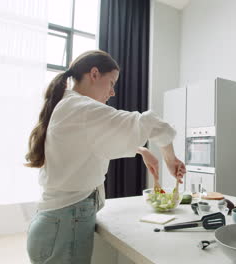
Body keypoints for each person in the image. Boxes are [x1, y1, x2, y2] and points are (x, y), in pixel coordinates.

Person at [24, 50, 186, 264]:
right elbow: (152, 124)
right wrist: (170, 159)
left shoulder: (68, 105)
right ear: (94, 74)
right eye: (111, 83)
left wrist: (143, 150)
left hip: (56, 225)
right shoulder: (82, 109)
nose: (112, 92)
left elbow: (86, 143)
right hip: (64, 228)